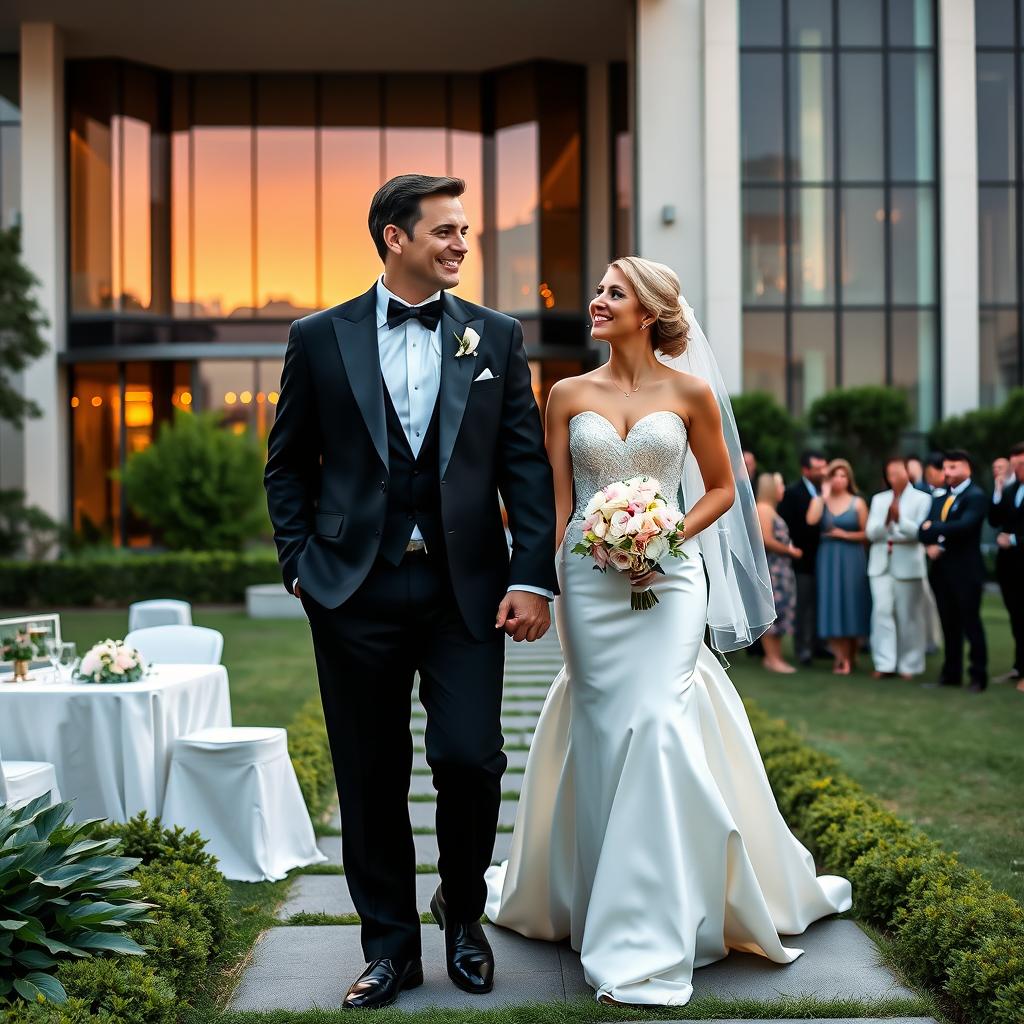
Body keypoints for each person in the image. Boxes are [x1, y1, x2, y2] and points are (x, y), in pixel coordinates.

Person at [485, 257, 851, 1006]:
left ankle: (652, 918)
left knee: (655, 721)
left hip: (673, 577)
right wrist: (540, 583)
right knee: (604, 726)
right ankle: (597, 900)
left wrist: (663, 537)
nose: (596, 301)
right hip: (588, 583)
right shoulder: (564, 395)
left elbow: (721, 488)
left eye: (613, 293)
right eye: (600, 291)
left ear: (648, 311)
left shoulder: (690, 393)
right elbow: (557, 501)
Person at [264, 174, 558, 1009]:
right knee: (369, 772)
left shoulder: (494, 337)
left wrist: (531, 574)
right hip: (352, 592)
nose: (463, 245)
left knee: (469, 759)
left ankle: (462, 916)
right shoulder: (318, 337)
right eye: (446, 231)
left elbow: (523, 469)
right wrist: (301, 566)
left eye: (466, 233)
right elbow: (287, 467)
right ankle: (389, 948)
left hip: (467, 592)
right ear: (395, 238)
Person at [919, 449, 989, 692]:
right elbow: (922, 531)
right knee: (949, 624)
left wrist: (936, 529)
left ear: (966, 468)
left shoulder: (975, 496)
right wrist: (933, 536)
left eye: (952, 467)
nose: (947, 473)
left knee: (971, 624)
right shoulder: (939, 498)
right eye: (945, 468)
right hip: (942, 571)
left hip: (966, 572)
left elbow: (966, 526)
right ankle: (951, 673)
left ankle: (978, 676)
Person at [865, 458, 932, 679]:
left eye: (898, 472)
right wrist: (886, 522)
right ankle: (885, 663)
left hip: (908, 562)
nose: (894, 477)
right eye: (890, 474)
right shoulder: (878, 499)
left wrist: (900, 519)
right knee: (882, 612)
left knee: (909, 615)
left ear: (907, 472)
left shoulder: (922, 499)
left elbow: (919, 532)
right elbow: (871, 533)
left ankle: (909, 665)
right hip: (881, 563)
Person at [807, 459, 869, 675]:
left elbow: (868, 533)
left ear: (849, 479)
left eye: (843, 476)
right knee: (831, 604)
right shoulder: (820, 501)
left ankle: (850, 655)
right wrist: (823, 496)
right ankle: (840, 657)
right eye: (835, 475)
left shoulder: (858, 503)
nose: (839, 479)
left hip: (852, 557)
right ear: (829, 478)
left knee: (852, 603)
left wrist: (846, 535)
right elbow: (811, 520)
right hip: (828, 558)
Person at [778, 450, 829, 665]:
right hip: (803, 558)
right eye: (818, 469)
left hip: (826, 557)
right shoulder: (793, 493)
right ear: (806, 470)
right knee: (804, 605)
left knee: (821, 603)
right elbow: (790, 526)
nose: (823, 472)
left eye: (824, 467)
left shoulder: (828, 492)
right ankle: (803, 648)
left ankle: (820, 645)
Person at [757, 471, 800, 673]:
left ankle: (776, 657)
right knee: (773, 613)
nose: (783, 489)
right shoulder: (764, 509)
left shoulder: (772, 510)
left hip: (780, 569)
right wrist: (790, 550)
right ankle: (772, 658)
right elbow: (767, 539)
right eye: (780, 485)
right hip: (772, 569)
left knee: (781, 612)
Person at [989, 442, 1024, 687]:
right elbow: (994, 519)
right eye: (1014, 465)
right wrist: (998, 488)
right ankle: (1019, 667)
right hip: (1009, 567)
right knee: (1016, 617)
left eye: (1021, 464)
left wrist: (1013, 539)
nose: (1016, 469)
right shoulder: (1011, 490)